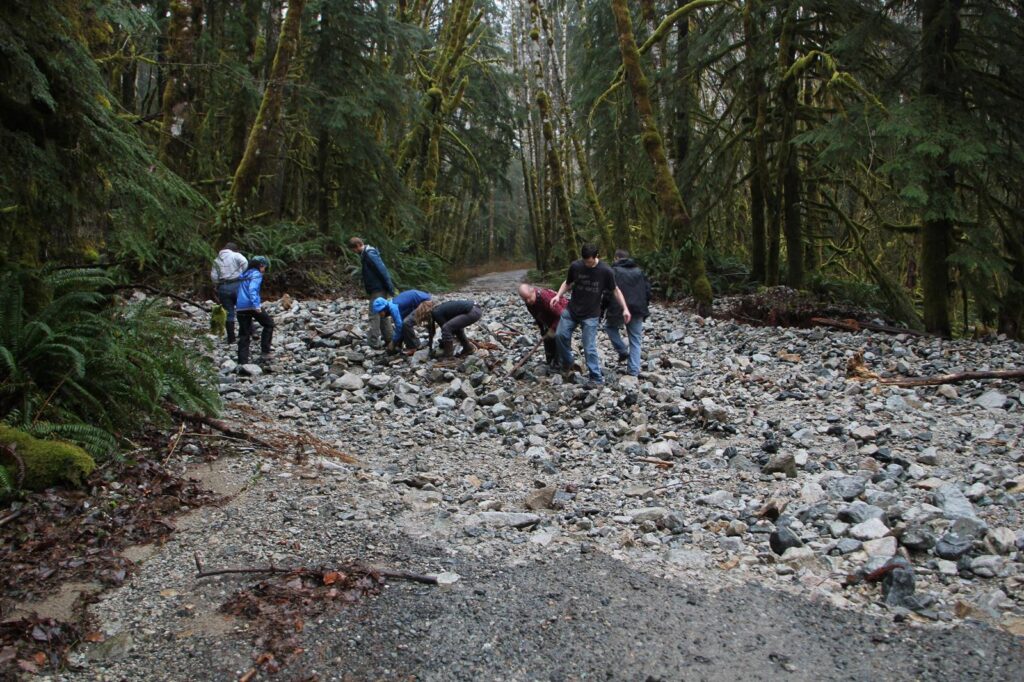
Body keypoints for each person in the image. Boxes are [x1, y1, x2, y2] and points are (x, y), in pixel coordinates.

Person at [553, 244, 631, 386]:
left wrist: (625, 308)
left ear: (596, 257)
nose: (587, 265)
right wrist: (558, 295)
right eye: (585, 262)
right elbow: (568, 282)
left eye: (589, 262)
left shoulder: (606, 271)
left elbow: (615, 290)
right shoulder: (576, 266)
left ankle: (596, 377)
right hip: (572, 310)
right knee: (560, 335)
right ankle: (568, 361)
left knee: (589, 347)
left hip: (591, 315)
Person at [603, 249, 651, 377]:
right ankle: (633, 371)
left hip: (618, 309)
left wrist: (603, 309)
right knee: (635, 339)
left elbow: (608, 292)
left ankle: (622, 349)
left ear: (616, 258)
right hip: (637, 309)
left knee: (609, 327)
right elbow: (647, 290)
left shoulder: (613, 272)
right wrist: (645, 306)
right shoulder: (639, 271)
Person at [348, 237, 396, 349]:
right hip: (378, 288)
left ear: (358, 245)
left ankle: (374, 341)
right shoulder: (367, 254)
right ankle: (390, 339)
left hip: (378, 289)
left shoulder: (370, 254)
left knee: (374, 314)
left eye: (354, 249)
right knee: (382, 314)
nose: (354, 252)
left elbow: (382, 270)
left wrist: (390, 288)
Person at [235, 256, 275, 365]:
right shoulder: (256, 274)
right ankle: (265, 351)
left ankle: (242, 362)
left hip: (240, 307)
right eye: (264, 267)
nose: (264, 270)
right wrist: (256, 305)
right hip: (252, 305)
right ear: (261, 265)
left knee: (244, 334)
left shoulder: (244, 275)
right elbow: (252, 289)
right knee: (269, 324)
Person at [518, 283, 568, 367]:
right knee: (547, 338)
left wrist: (552, 329)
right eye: (525, 299)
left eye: (529, 298)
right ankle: (550, 362)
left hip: (565, 315)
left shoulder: (544, 298)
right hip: (551, 317)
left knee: (557, 337)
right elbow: (537, 317)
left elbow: (561, 315)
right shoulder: (529, 303)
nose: (528, 301)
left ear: (533, 291)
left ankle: (563, 363)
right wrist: (543, 331)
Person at [210, 242, 248, 343]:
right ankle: (244, 333)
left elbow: (213, 277)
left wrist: (219, 283)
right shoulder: (235, 255)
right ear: (235, 249)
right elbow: (245, 262)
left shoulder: (216, 260)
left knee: (228, 312)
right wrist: (243, 274)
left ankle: (231, 338)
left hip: (223, 288)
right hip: (237, 285)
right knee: (243, 309)